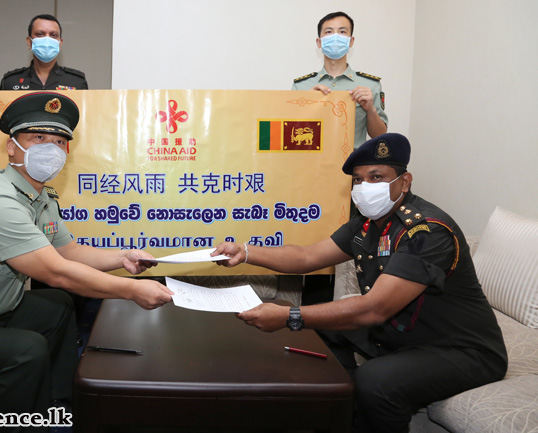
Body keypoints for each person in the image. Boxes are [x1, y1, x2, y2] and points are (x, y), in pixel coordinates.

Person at [212, 133, 507, 433]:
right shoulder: (368, 223)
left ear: (404, 182)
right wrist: (246, 252)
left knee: (376, 382)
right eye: (359, 180)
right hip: (400, 336)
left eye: (377, 177)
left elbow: (373, 310)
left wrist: (291, 317)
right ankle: (339, 411)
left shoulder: (426, 232)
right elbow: (306, 256)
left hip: (460, 351)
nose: (365, 187)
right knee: (322, 335)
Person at [0, 92, 172, 431]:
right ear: (12, 146)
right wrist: (130, 290)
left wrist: (121, 257)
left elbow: (68, 251)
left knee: (57, 306)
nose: (50, 149)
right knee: (27, 349)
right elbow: (56, 271)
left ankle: (61, 404)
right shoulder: (1, 202)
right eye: (38, 138)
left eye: (58, 141)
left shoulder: (38, 195)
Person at [0, 14, 88, 129]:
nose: (47, 39)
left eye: (53, 35)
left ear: (60, 42)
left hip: (64, 149)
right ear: (29, 42)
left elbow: (85, 129)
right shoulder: (11, 81)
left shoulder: (76, 82)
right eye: (40, 34)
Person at [292, 11, 387, 148]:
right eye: (329, 31)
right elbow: (291, 133)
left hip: (353, 164)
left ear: (351, 41)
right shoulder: (301, 86)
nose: (335, 37)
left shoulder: (371, 85)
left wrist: (370, 109)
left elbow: (380, 136)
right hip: (312, 164)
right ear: (319, 42)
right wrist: (307, 103)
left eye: (342, 31)